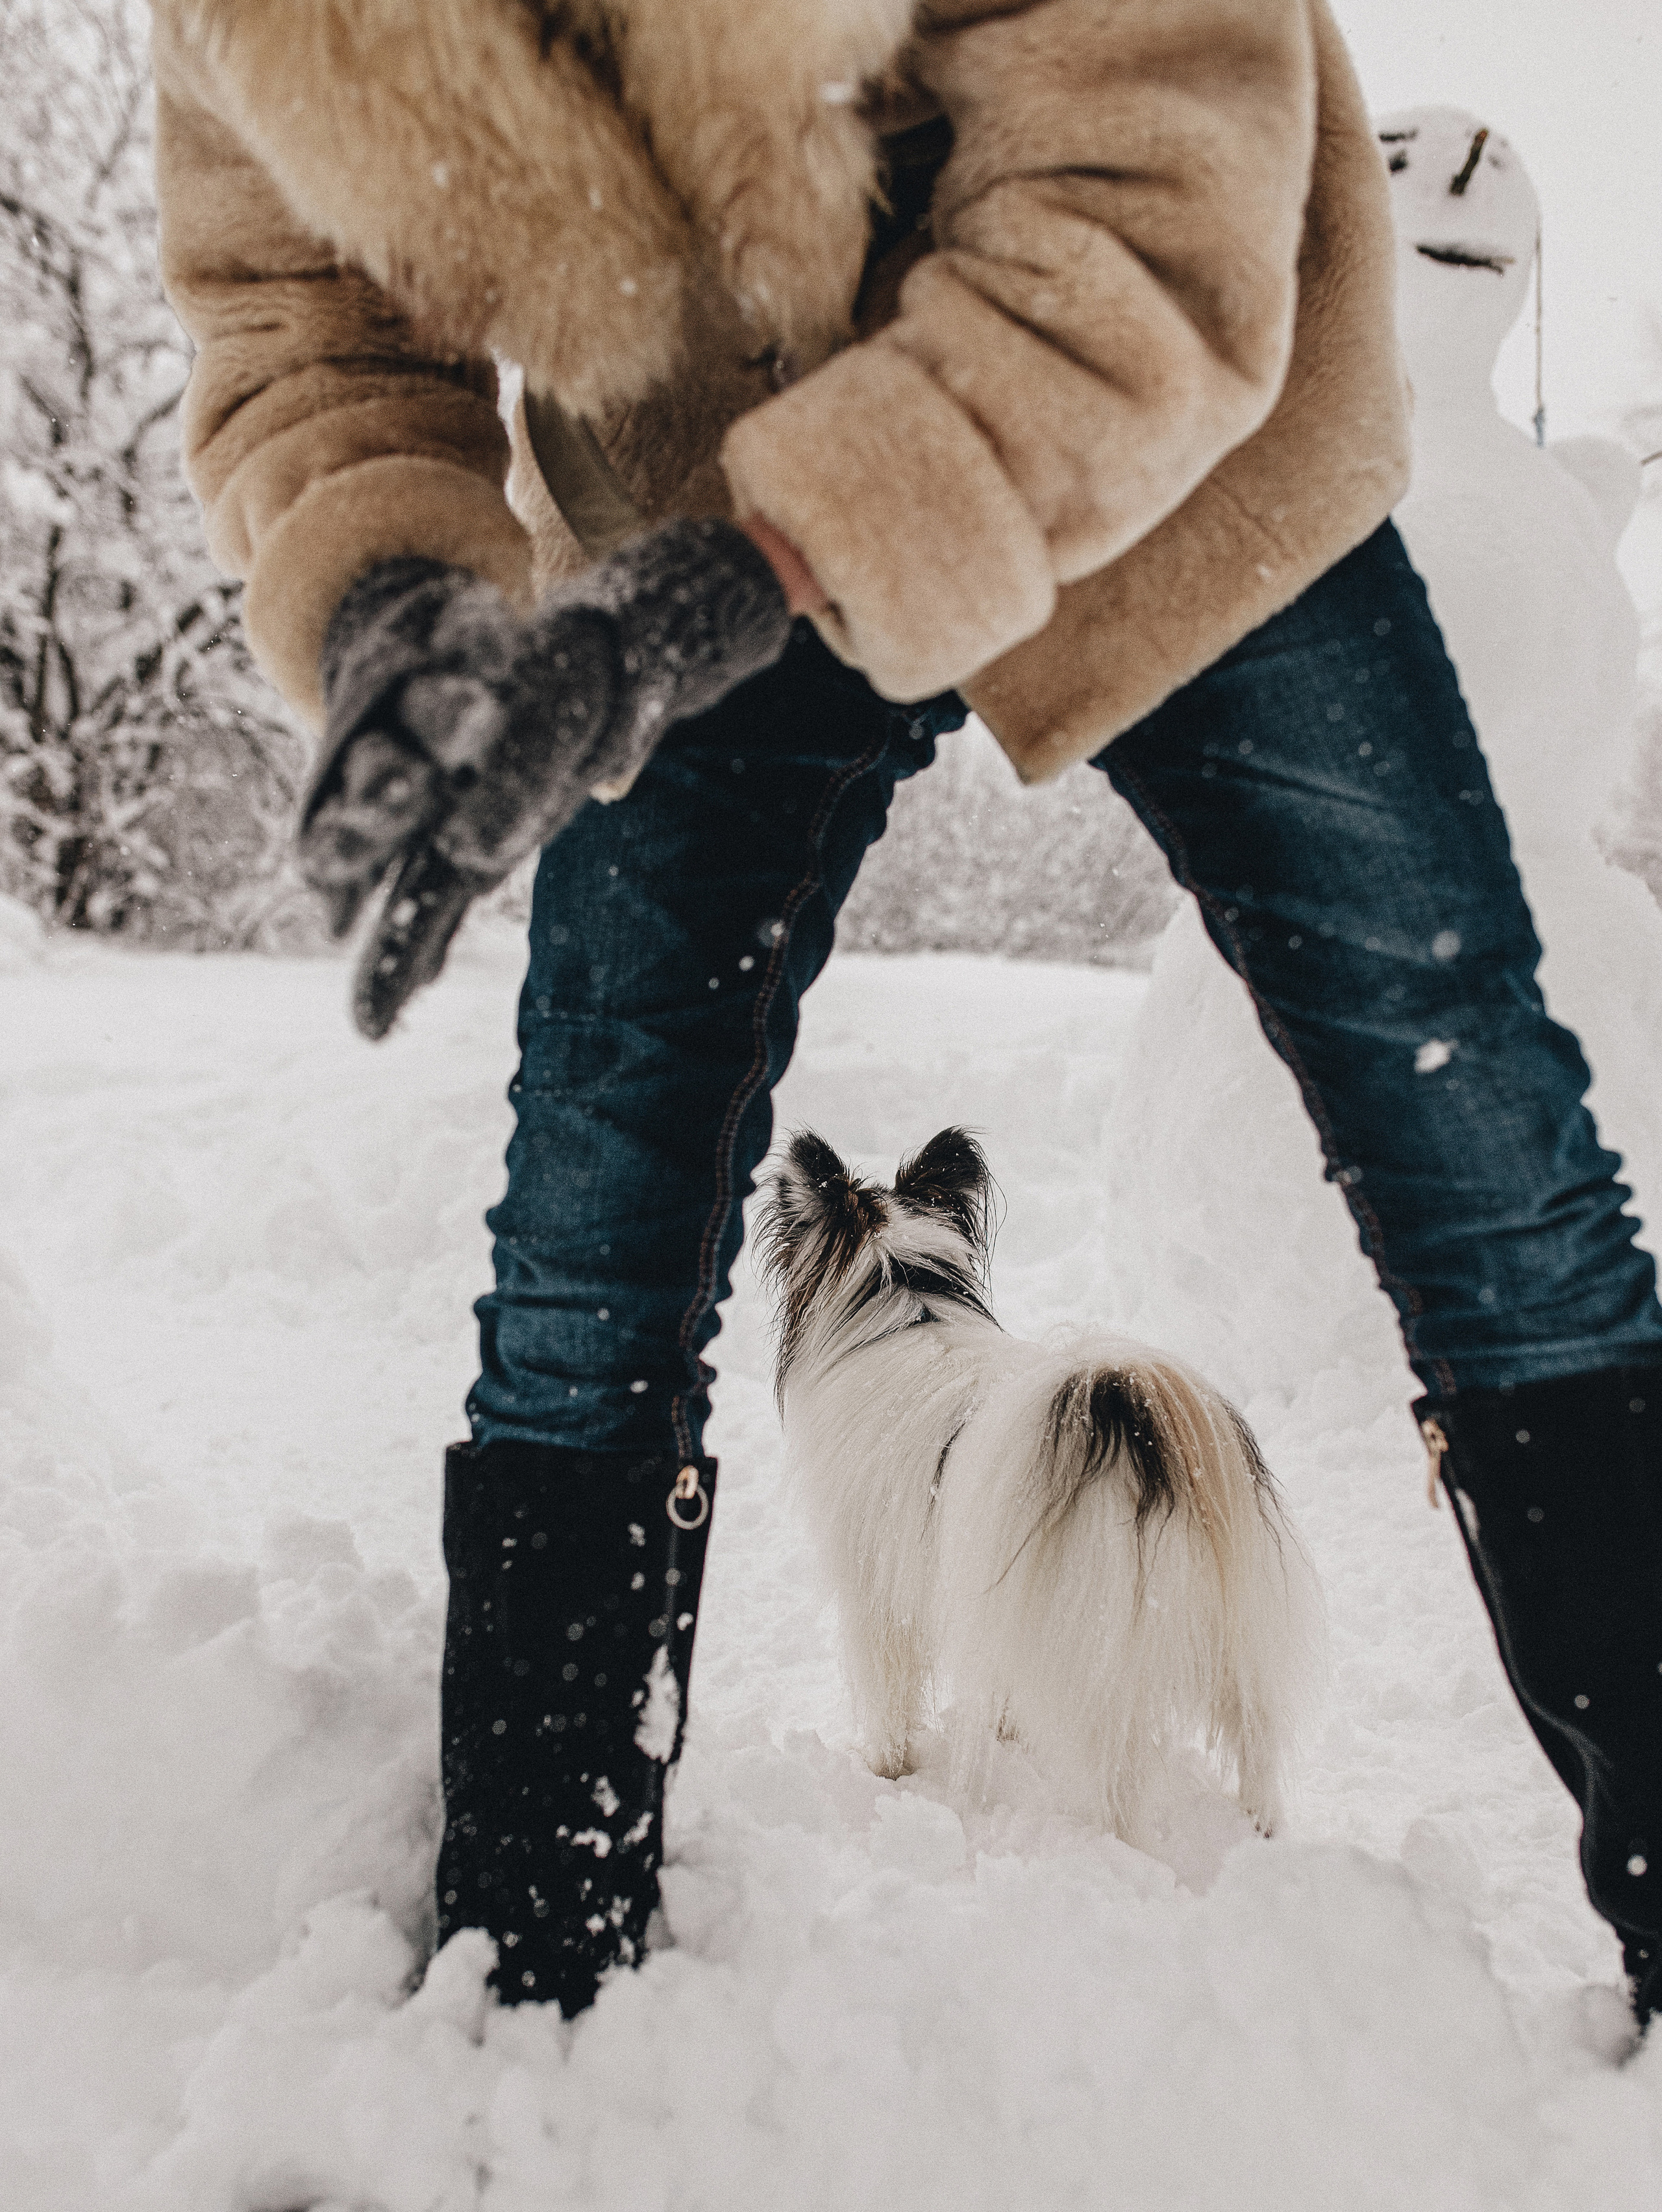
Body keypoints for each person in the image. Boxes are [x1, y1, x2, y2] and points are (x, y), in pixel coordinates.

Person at [150, 0, 1662, 2028]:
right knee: (587, 1238)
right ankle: (527, 1982)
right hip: (673, 523)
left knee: (1495, 1178)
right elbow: (298, 315)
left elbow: (1147, 165)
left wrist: (757, 567)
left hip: (1170, 434)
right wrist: (402, 606)